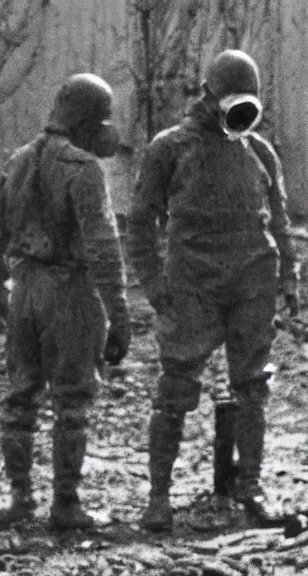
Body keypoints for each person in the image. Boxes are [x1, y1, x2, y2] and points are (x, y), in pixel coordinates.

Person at [127, 49, 299, 532]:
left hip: (252, 283)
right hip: (193, 286)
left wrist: (289, 279)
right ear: (208, 96)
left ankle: (250, 490)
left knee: (252, 389)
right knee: (175, 389)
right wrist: (155, 287)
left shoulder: (260, 152)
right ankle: (159, 498)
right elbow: (140, 222)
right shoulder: (169, 148)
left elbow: (279, 221)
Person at [0, 73, 131, 529]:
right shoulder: (84, 169)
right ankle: (66, 504)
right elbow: (103, 247)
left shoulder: (19, 160)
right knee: (73, 400)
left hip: (25, 287)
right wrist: (118, 315)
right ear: (87, 121)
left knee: (20, 397)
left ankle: (20, 500)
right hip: (70, 292)